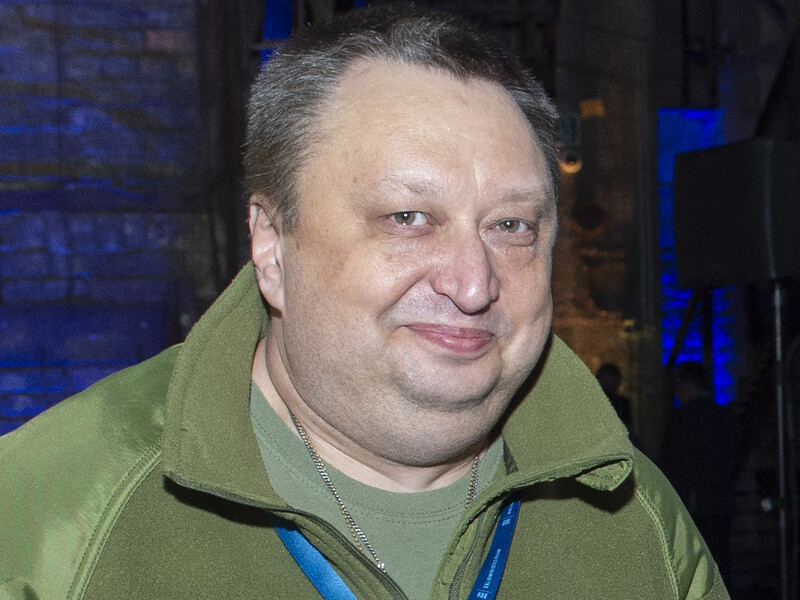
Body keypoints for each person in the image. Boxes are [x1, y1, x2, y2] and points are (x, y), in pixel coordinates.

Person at [1, 6, 729, 599]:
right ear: (271, 245)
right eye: (407, 218)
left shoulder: (638, 525)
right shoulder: (54, 524)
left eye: (512, 226)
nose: (473, 283)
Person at [660, 361, 740, 585]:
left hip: (693, 504)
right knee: (720, 560)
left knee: (695, 566)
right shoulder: (724, 417)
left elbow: (672, 465)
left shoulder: (682, 419)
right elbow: (733, 458)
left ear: (689, 386)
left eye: (678, 386)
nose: (677, 392)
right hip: (720, 503)